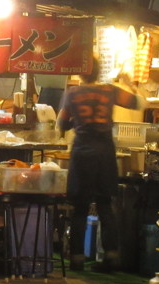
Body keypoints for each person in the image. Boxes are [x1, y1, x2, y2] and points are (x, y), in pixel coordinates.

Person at [57, 63, 143, 272]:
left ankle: (77, 258)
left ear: (81, 72)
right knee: (106, 205)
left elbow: (61, 122)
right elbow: (139, 103)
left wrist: (69, 126)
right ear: (97, 71)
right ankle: (111, 257)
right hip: (105, 151)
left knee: (80, 207)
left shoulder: (73, 93)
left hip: (83, 151)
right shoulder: (109, 90)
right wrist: (130, 83)